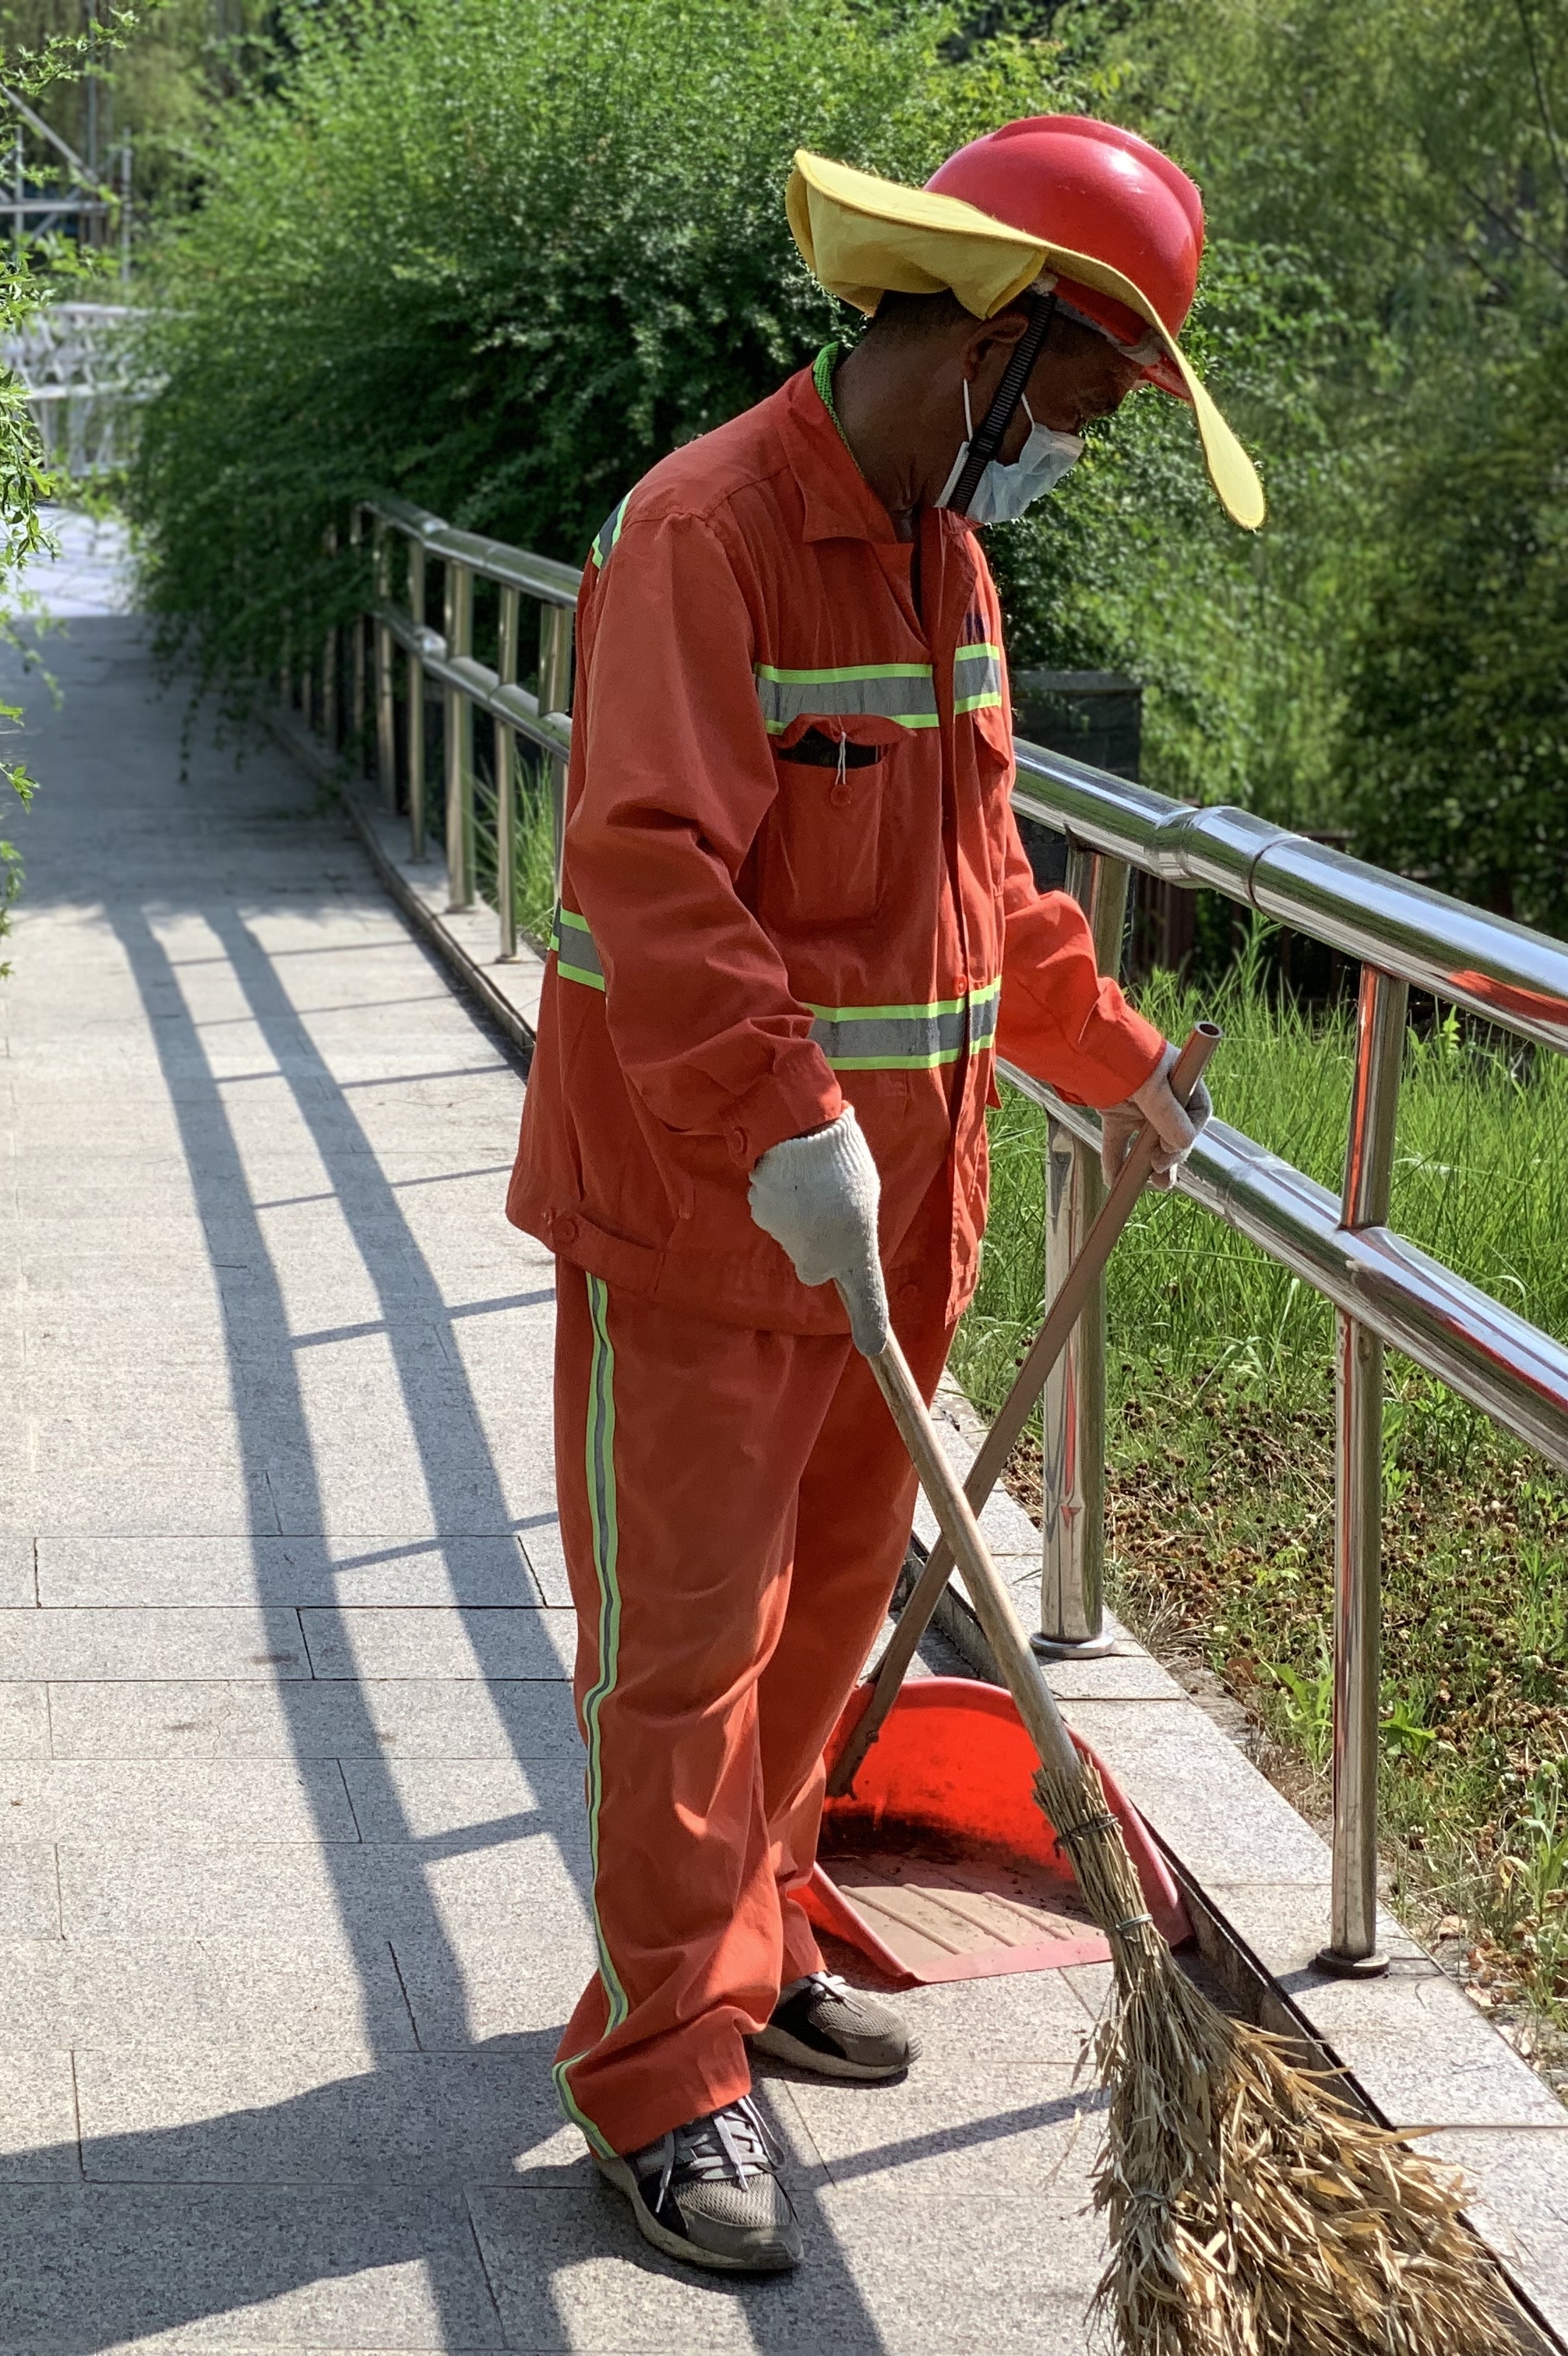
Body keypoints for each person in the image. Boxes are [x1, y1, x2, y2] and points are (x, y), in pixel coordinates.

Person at [502, 116, 1252, 2274]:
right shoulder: (704, 536)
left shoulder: (951, 561)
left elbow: (982, 896)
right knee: (682, 1661)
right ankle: (661, 2075)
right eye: (1093, 400)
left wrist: (1109, 1069)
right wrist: (781, 1124)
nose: (1081, 449)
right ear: (1003, 338)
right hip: (706, 1215)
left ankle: (747, 1936)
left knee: (828, 1629)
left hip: (893, 1227)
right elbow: (650, 871)